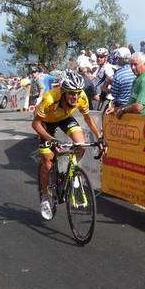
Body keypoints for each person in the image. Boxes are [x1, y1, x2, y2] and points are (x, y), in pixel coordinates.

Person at [32, 71, 105, 220]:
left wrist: (100, 137)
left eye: (78, 93)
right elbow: (35, 123)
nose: (75, 97)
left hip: (65, 118)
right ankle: (46, 197)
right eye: (71, 94)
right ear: (64, 92)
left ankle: (70, 172)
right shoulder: (50, 98)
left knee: (81, 143)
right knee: (48, 163)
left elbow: (88, 119)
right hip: (46, 123)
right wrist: (51, 139)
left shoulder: (81, 97)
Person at [109, 52, 145, 118]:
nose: (133, 68)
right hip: (137, 122)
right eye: (131, 65)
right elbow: (131, 104)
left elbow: (138, 107)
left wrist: (123, 110)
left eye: (135, 64)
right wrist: (115, 109)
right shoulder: (138, 78)